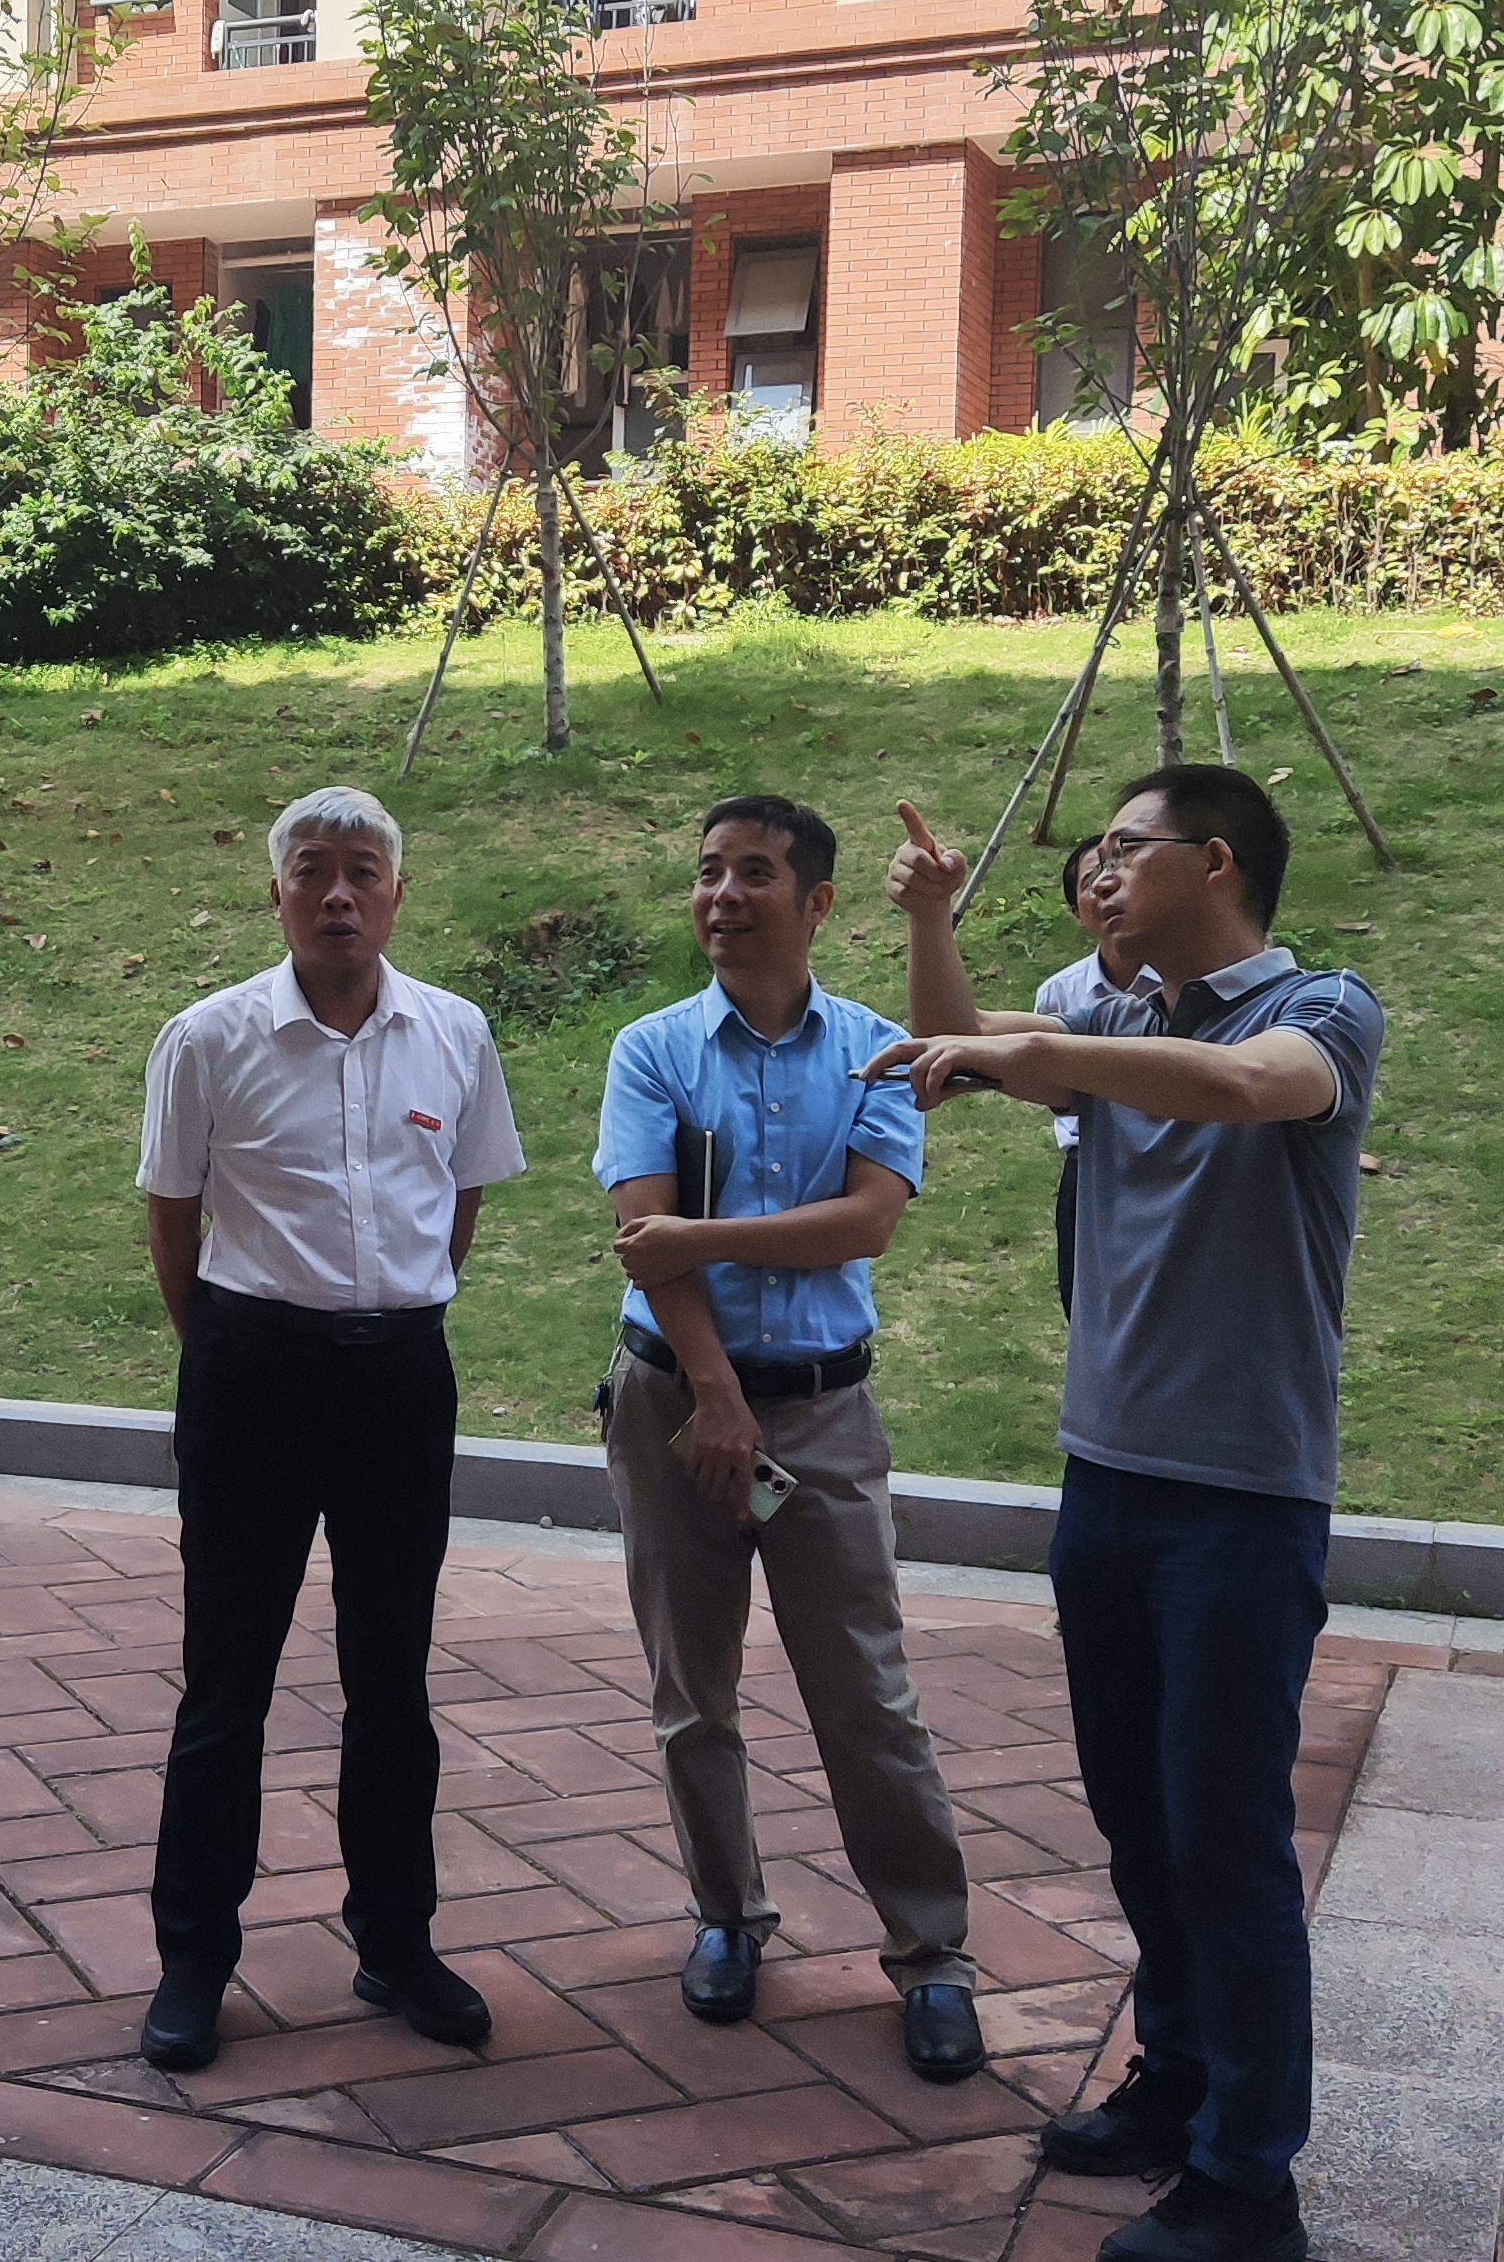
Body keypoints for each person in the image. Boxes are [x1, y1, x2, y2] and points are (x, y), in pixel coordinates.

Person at [878, 770, 1383, 2262]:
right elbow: (961, 1050)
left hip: (1241, 1497)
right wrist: (934, 931)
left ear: (1214, 862)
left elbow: (1243, 1088)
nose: (1099, 869)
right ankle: (1178, 2077)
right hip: (1104, 1478)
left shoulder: (1319, 1008)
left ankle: (1248, 2182)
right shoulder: (1100, 1015)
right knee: (1138, 1816)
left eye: (1123, 846)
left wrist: (1046, 1054)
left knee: (1226, 1837)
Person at [591, 796, 988, 2082]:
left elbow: (865, 1223)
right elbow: (640, 1238)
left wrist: (699, 1241)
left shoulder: (877, 1052)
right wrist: (712, 1391)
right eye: (707, 871)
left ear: (815, 903)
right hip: (672, 1403)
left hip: (819, 1414)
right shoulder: (652, 1049)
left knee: (865, 1694)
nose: (721, 894)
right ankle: (724, 1914)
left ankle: (930, 1954)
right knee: (689, 1690)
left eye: (753, 872)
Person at [133, 786, 524, 2074]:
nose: (338, 893)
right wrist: (226, 1351)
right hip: (251, 1372)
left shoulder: (454, 1032)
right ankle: (194, 1954)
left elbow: (459, 1197)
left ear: (398, 894)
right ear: (277, 894)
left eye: (363, 870)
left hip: (399, 1378)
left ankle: (395, 1938)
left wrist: (396, 1306)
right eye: (312, 870)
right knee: (225, 1678)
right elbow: (173, 1214)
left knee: (391, 1676)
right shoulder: (207, 1037)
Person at [1036, 835, 1123, 1319]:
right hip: (1086, 1167)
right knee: (1087, 1308)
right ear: (1076, 912)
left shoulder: (1187, 985)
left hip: (1174, 1159)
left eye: (1120, 870)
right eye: (1091, 881)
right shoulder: (1059, 994)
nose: (1109, 886)